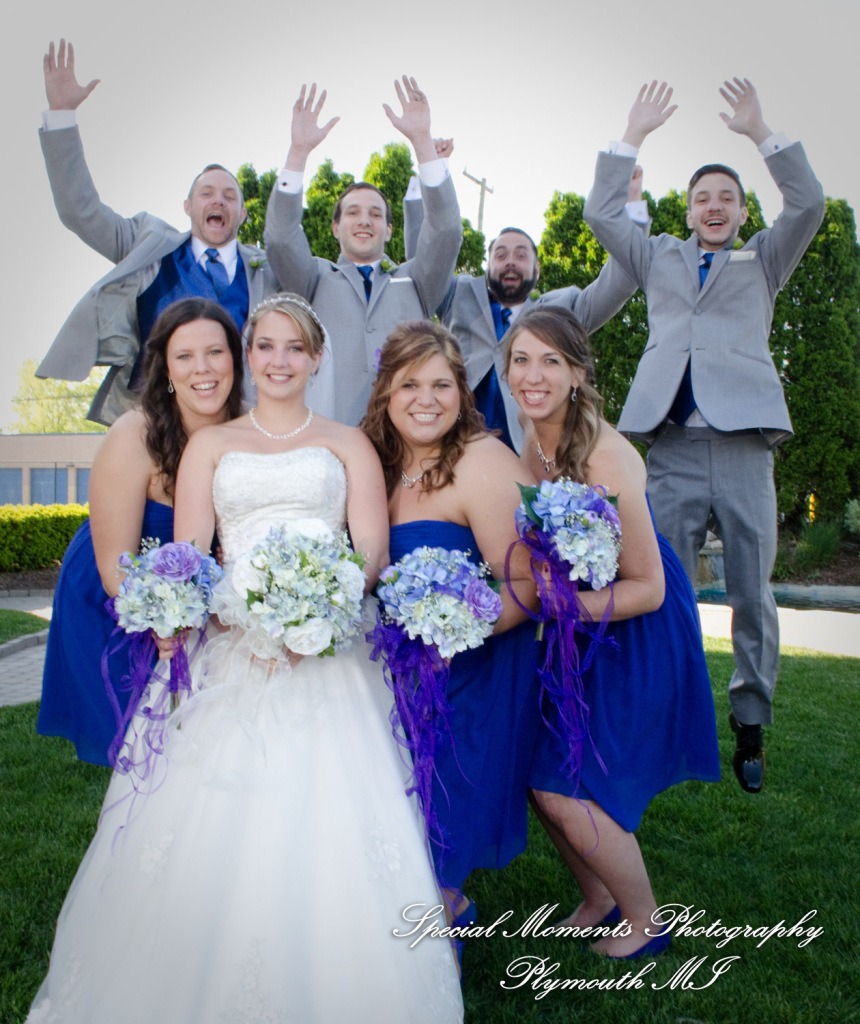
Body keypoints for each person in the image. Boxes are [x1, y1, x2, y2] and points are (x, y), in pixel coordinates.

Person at [26, 294, 464, 1023]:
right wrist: (227, 618)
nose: (280, 360)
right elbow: (193, 558)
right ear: (249, 356)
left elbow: (371, 554)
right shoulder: (212, 445)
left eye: (295, 347)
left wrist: (316, 619)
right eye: (265, 345)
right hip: (235, 650)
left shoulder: (348, 444)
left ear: (317, 357)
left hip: (330, 659)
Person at [582, 79, 825, 792]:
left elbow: (807, 202)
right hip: (672, 449)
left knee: (753, 591)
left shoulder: (765, 260)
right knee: (658, 588)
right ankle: (660, 712)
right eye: (702, 198)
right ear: (687, 211)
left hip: (745, 447)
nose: (714, 207)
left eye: (727, 198)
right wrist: (632, 133)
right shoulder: (656, 255)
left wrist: (761, 132)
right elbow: (601, 211)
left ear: (743, 212)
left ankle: (749, 722)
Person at [504, 306, 720, 959]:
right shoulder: (532, 431)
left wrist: (557, 605)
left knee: (567, 782)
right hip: (580, 621)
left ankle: (645, 920)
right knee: (539, 770)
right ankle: (598, 899)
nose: (533, 374)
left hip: (634, 624)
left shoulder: (606, 454)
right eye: (521, 359)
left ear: (577, 373)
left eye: (550, 361)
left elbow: (648, 586)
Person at [361, 320, 540, 930]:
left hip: (469, 673)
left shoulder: (481, 463)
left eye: (442, 384)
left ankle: (447, 908)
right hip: (383, 667)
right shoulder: (373, 465)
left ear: (464, 393)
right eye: (409, 384)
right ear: (385, 391)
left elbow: (527, 588)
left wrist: (452, 634)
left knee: (434, 838)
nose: (426, 399)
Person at [37, 297, 245, 767]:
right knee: (144, 743)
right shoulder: (136, 432)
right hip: (117, 595)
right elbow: (114, 565)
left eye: (215, 352)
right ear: (166, 370)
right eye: (184, 357)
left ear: (235, 357)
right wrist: (161, 616)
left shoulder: (251, 427)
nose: (202, 369)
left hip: (209, 596)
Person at [37, 39, 277, 425]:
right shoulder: (147, 242)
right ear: (187, 206)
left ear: (243, 213)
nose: (218, 201)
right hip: (150, 418)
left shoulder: (267, 269)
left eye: (229, 195)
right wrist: (62, 116)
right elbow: (79, 211)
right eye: (207, 193)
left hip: (234, 423)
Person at [402, 170, 648, 451]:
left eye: (521, 255)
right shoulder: (457, 293)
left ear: (536, 269)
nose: (510, 262)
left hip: (529, 450)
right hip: (456, 443)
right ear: (488, 265)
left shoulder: (562, 310)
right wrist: (425, 180)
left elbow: (620, 281)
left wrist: (632, 207)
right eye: (501, 255)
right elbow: (425, 264)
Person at [263, 80, 462, 427]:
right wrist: (298, 152)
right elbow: (280, 238)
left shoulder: (415, 281)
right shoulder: (314, 279)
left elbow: (445, 231)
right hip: (330, 440)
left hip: (404, 443)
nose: (364, 220)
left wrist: (423, 144)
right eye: (353, 212)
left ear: (388, 230)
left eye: (376, 214)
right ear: (335, 228)